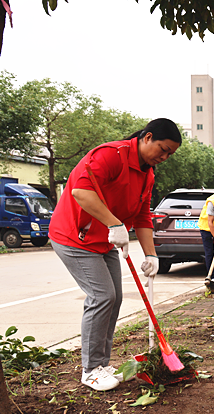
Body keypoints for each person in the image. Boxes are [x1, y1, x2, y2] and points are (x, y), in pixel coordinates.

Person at [49, 118, 182, 391]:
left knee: (116, 298)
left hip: (104, 240)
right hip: (75, 237)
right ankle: (90, 369)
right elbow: (80, 191)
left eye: (171, 154)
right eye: (163, 149)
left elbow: (143, 215)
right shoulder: (111, 155)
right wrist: (115, 224)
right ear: (147, 137)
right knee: (102, 296)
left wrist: (152, 255)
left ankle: (102, 364)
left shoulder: (147, 173)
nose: (165, 157)